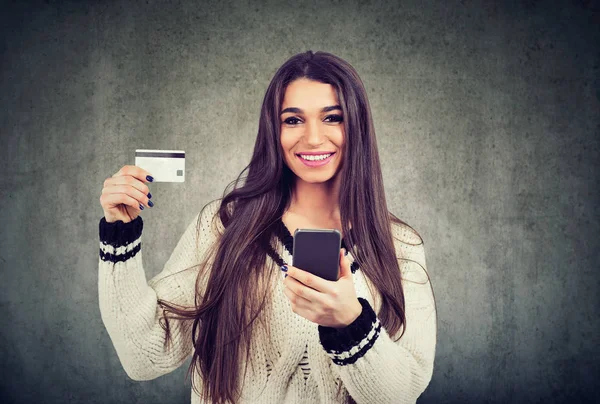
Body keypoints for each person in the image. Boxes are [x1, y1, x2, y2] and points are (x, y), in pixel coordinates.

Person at [98, 50, 437, 404]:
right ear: (273, 130)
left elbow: (403, 393)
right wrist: (119, 236)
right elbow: (144, 356)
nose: (313, 138)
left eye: (332, 117)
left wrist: (351, 323)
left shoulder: (400, 245)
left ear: (357, 126)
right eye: (293, 120)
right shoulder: (224, 226)